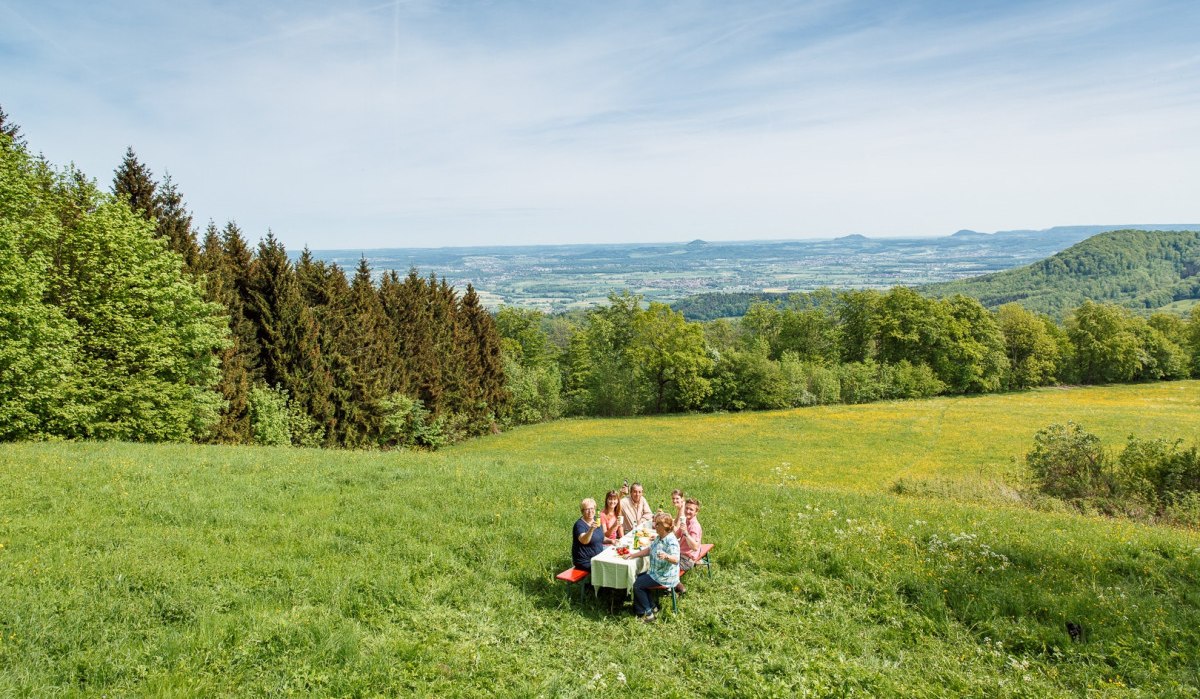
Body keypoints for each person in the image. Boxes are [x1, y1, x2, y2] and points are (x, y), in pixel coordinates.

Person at [623, 512, 679, 622]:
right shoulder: (660, 537)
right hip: (656, 572)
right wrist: (632, 555)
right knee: (640, 578)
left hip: (664, 576)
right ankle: (653, 606)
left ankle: (648, 614)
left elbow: (676, 559)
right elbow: (650, 549)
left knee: (637, 585)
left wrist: (666, 556)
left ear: (665, 527)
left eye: (658, 524)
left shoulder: (670, 541)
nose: (655, 526)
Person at [673, 497, 703, 595]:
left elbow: (694, 546)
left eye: (691, 509)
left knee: (663, 561)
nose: (688, 511)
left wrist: (685, 533)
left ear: (696, 512)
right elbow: (676, 535)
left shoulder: (694, 526)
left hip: (686, 560)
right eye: (687, 508)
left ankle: (676, 586)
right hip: (680, 553)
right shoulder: (685, 520)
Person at [571, 498, 605, 573]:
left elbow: (599, 537)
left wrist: (611, 540)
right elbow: (584, 540)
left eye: (592, 508)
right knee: (606, 569)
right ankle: (594, 585)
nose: (590, 512)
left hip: (597, 557)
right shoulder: (579, 525)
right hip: (585, 561)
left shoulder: (596, 520)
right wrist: (591, 529)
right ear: (582, 512)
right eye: (587, 509)